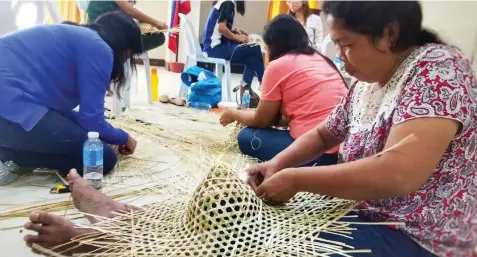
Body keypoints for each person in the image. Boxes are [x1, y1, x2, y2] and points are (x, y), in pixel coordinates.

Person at [247, 1, 477, 257]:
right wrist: (277, 165)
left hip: (421, 235)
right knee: (263, 228)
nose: (340, 55)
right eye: (337, 45)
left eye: (347, 45)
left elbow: (399, 173)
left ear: (389, 34)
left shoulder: (439, 71)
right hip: (371, 215)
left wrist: (297, 180)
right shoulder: (366, 83)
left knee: (285, 246)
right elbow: (324, 134)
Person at [0, 12, 141, 185]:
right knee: (102, 158)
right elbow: (92, 121)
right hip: (9, 108)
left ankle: (14, 151)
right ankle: (11, 156)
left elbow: (73, 117)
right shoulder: (99, 48)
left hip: (13, 103)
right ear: (126, 49)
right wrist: (124, 137)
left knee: (88, 141)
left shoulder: (78, 37)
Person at [219, 14, 347, 165]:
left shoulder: (278, 66)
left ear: (273, 45)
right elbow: (300, 115)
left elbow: (261, 121)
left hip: (317, 155)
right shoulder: (321, 59)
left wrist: (234, 114)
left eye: (266, 47)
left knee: (246, 137)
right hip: (341, 151)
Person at [202, 0, 264, 105]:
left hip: (214, 47)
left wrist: (235, 32)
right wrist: (237, 37)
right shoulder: (228, 3)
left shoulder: (224, 2)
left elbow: (219, 29)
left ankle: (245, 93)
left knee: (252, 59)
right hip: (215, 49)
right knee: (256, 48)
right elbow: (221, 28)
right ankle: (264, 84)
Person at [86, 0, 168, 52]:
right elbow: (130, 11)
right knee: (158, 37)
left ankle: (121, 53)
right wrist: (155, 22)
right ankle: (121, 53)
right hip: (106, 35)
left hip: (96, 32)